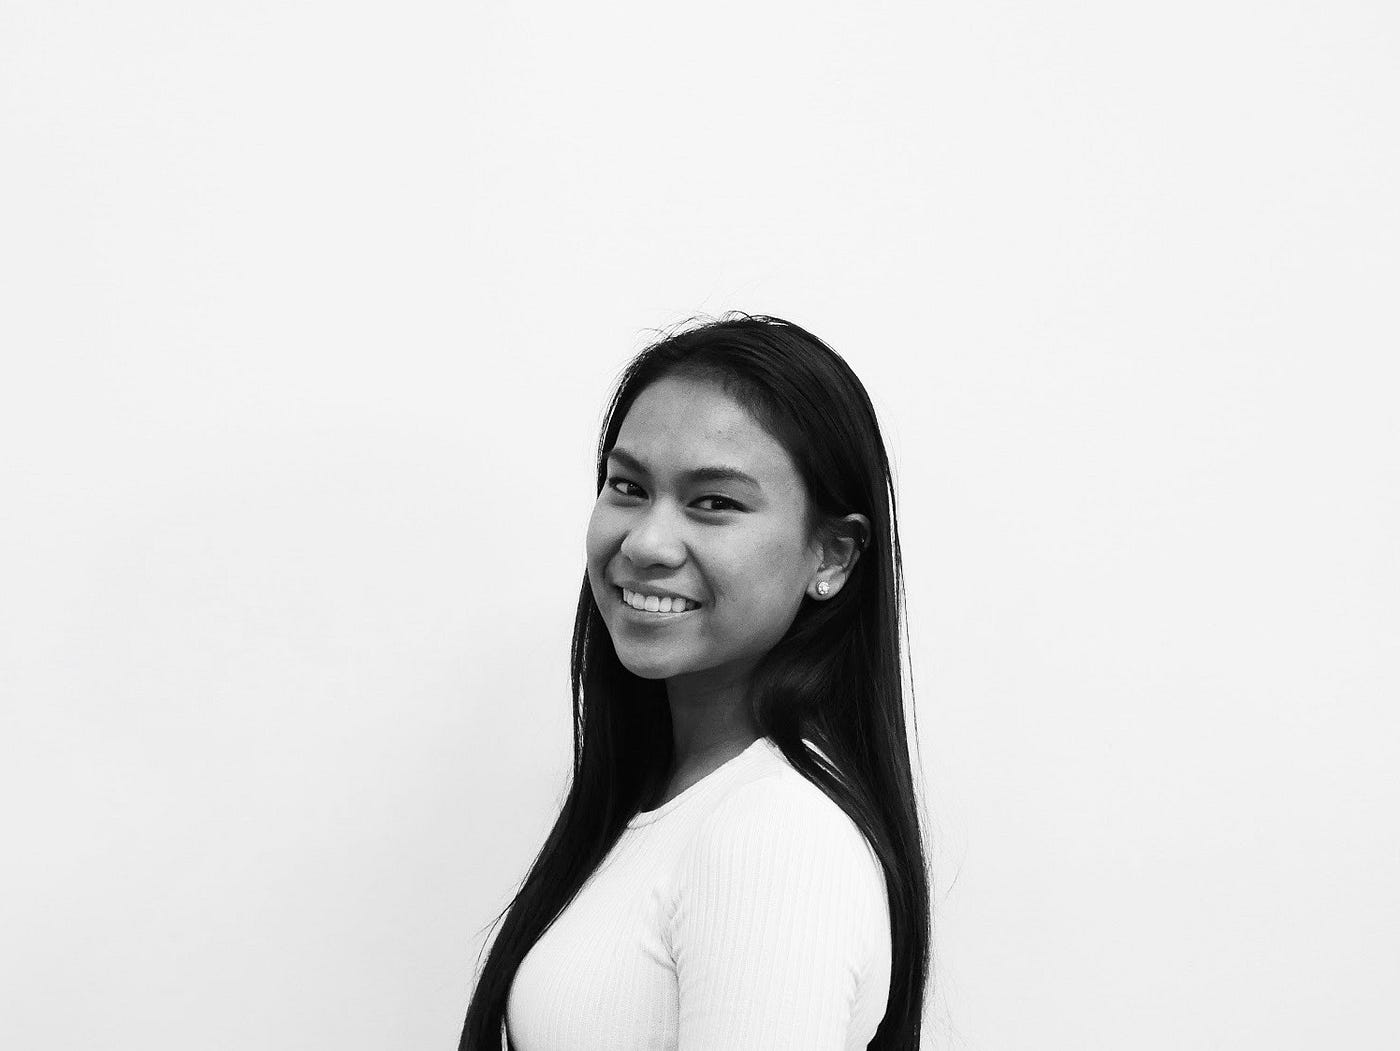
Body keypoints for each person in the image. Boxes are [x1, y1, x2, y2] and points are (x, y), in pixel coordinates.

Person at [458, 313, 931, 1050]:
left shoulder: (775, 835)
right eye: (627, 486)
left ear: (832, 555)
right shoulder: (674, 799)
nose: (646, 542)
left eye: (714, 502)